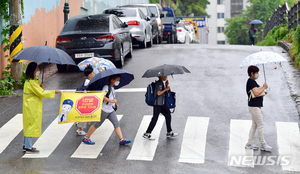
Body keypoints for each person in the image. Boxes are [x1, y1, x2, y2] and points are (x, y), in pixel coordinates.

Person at [82, 74, 132, 145]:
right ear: (112, 80)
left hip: (110, 110)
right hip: (104, 110)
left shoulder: (112, 88)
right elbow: (102, 97)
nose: (118, 81)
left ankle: (122, 139)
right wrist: (112, 101)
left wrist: (113, 104)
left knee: (116, 124)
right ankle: (86, 138)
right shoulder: (106, 87)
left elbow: (110, 97)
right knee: (97, 124)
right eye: (117, 79)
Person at [23, 62, 61, 153]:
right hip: (31, 107)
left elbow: (38, 91)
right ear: (33, 71)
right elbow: (41, 93)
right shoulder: (32, 82)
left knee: (28, 125)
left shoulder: (31, 81)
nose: (37, 71)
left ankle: (25, 144)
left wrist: (40, 87)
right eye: (36, 69)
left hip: (30, 106)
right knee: (30, 126)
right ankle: (28, 146)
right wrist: (53, 92)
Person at [245, 65, 272, 151]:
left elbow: (257, 92)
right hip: (254, 107)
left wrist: (264, 91)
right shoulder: (251, 82)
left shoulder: (251, 81)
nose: (257, 74)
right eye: (256, 73)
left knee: (255, 125)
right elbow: (256, 93)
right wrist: (264, 87)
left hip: (254, 106)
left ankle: (249, 143)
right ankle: (263, 144)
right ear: (252, 73)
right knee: (260, 125)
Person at [75, 65, 95, 136]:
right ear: (89, 75)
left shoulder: (88, 81)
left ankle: (79, 125)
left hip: (84, 101)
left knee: (85, 116)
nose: (94, 74)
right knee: (84, 116)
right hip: (85, 101)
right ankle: (79, 129)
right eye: (93, 73)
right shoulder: (88, 82)